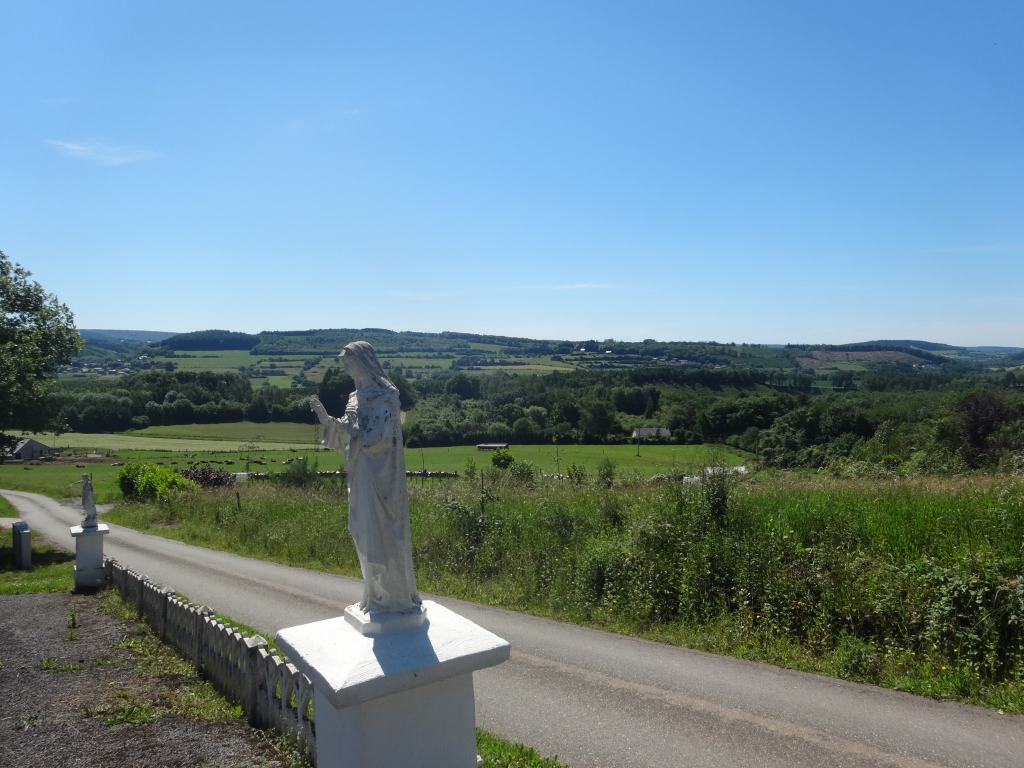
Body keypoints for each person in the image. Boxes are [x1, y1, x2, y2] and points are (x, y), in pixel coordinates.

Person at [309, 341, 421, 615]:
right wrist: (330, 422)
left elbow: (380, 439)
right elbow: (350, 431)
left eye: (349, 362)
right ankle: (373, 593)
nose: (345, 368)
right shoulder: (354, 396)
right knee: (362, 531)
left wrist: (356, 436)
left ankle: (394, 596)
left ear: (363, 362)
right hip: (360, 474)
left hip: (381, 478)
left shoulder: (386, 398)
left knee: (384, 533)